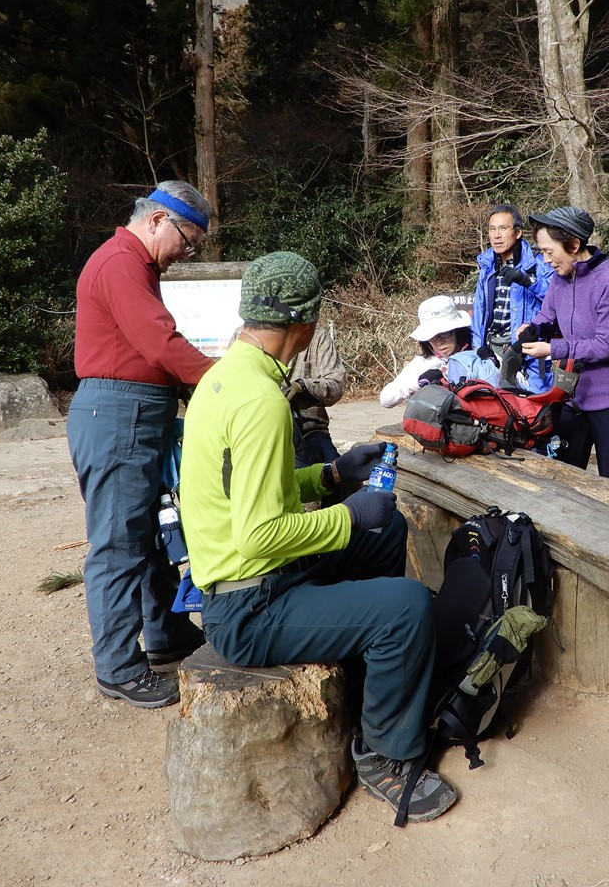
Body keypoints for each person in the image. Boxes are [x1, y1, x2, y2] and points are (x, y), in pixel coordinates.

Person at [180, 251, 458, 825]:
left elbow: (251, 490)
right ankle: (386, 755)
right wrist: (349, 514)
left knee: (389, 531)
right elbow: (259, 537)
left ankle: (376, 675)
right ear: (304, 326)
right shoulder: (259, 402)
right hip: (248, 607)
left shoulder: (226, 377)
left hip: (253, 581)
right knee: (406, 607)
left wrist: (332, 476)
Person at [65, 180, 214, 709]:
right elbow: (158, 339)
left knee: (150, 533)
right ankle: (119, 669)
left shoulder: (135, 263)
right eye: (188, 240)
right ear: (157, 221)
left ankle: (165, 635)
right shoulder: (121, 262)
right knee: (119, 542)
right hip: (118, 413)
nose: (187, 252)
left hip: (132, 412)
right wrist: (221, 379)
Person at [520, 206, 609, 486]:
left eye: (550, 251)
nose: (546, 259)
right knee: (565, 476)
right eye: (541, 251)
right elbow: (547, 316)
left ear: (574, 245)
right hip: (573, 395)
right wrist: (533, 329)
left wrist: (552, 349)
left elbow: (605, 345)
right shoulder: (561, 278)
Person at [471, 204, 555, 393]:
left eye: (503, 228)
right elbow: (479, 311)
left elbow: (556, 298)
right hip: (493, 346)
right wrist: (479, 348)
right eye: (492, 229)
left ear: (518, 232)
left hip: (528, 349)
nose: (496, 235)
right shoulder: (487, 266)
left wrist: (528, 281)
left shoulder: (538, 262)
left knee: (536, 403)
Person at [379, 295, 475, 408]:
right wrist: (418, 382)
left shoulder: (476, 356)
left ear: (457, 331)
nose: (439, 342)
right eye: (432, 336)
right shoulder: (422, 363)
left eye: (444, 333)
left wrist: (491, 364)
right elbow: (386, 400)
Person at [285, 324, 346, 467]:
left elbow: (337, 384)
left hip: (309, 429)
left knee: (340, 477)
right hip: (265, 428)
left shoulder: (317, 336)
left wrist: (304, 386)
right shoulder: (246, 335)